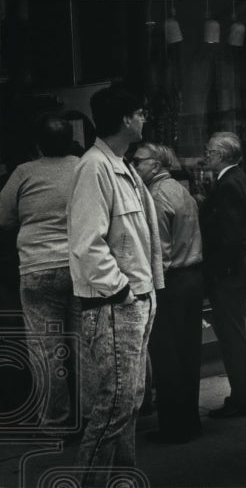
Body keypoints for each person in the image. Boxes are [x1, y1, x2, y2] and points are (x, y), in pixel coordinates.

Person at [67, 86, 163, 486]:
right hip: (115, 304)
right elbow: (88, 243)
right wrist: (122, 292)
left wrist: (142, 293)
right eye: (140, 112)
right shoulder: (94, 167)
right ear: (125, 118)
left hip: (133, 300)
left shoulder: (119, 166)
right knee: (114, 407)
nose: (144, 119)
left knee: (127, 405)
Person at [0, 115, 81, 429]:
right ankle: (90, 414)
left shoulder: (25, 172)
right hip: (78, 265)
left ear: (37, 145)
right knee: (83, 343)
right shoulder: (84, 166)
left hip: (38, 268)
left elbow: (3, 218)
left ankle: (55, 418)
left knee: (45, 348)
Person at [131, 142, 204, 443]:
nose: (133, 167)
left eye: (138, 162)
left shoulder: (157, 196)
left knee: (167, 356)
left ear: (157, 164)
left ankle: (174, 425)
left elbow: (158, 251)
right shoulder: (180, 189)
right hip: (192, 277)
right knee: (188, 353)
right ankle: (189, 419)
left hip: (170, 281)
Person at [200, 131, 246, 418]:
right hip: (237, 268)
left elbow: (228, 235)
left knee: (231, 336)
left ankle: (244, 395)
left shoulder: (228, 184)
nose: (206, 155)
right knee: (234, 333)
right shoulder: (237, 179)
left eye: (211, 151)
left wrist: (219, 271)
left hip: (229, 272)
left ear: (223, 154)